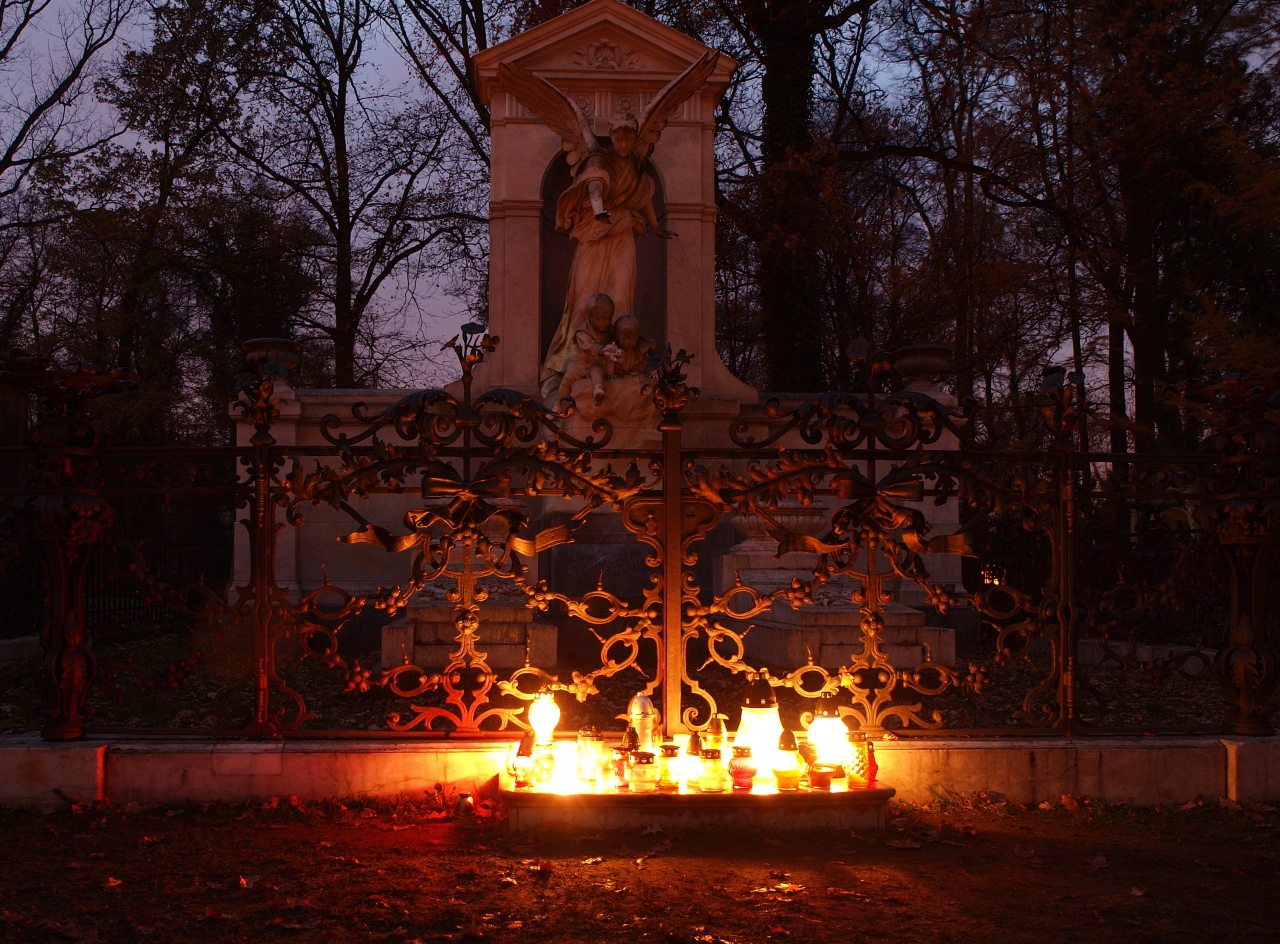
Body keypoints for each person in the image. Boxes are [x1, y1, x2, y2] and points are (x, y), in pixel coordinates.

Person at [538, 113, 674, 399]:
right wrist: (599, 210)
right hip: (594, 232)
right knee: (583, 301)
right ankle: (574, 361)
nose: (623, 142)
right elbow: (594, 186)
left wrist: (655, 226)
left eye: (628, 137)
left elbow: (645, 195)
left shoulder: (637, 165)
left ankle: (621, 365)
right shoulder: (599, 160)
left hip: (623, 233)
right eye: (618, 137)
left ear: (635, 137)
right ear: (611, 136)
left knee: (621, 298)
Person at [555, 294, 620, 408]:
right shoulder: (582, 332)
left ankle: (598, 392)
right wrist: (602, 350)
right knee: (566, 380)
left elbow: (615, 343)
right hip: (581, 364)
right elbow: (590, 346)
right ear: (589, 317)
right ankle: (558, 406)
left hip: (598, 363)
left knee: (597, 371)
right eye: (599, 319)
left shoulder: (611, 330)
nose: (604, 323)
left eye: (608, 319)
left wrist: (614, 350)